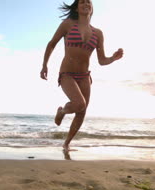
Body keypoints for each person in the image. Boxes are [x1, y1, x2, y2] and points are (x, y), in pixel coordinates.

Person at [40, 0, 123, 152]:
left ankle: (66, 144)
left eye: (89, 2)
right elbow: (52, 44)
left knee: (82, 111)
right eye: (82, 2)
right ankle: (62, 111)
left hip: (85, 75)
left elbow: (102, 60)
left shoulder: (98, 33)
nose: (86, 4)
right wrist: (45, 65)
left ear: (92, 8)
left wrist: (113, 58)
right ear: (77, 8)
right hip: (67, 73)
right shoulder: (68, 24)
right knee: (79, 103)